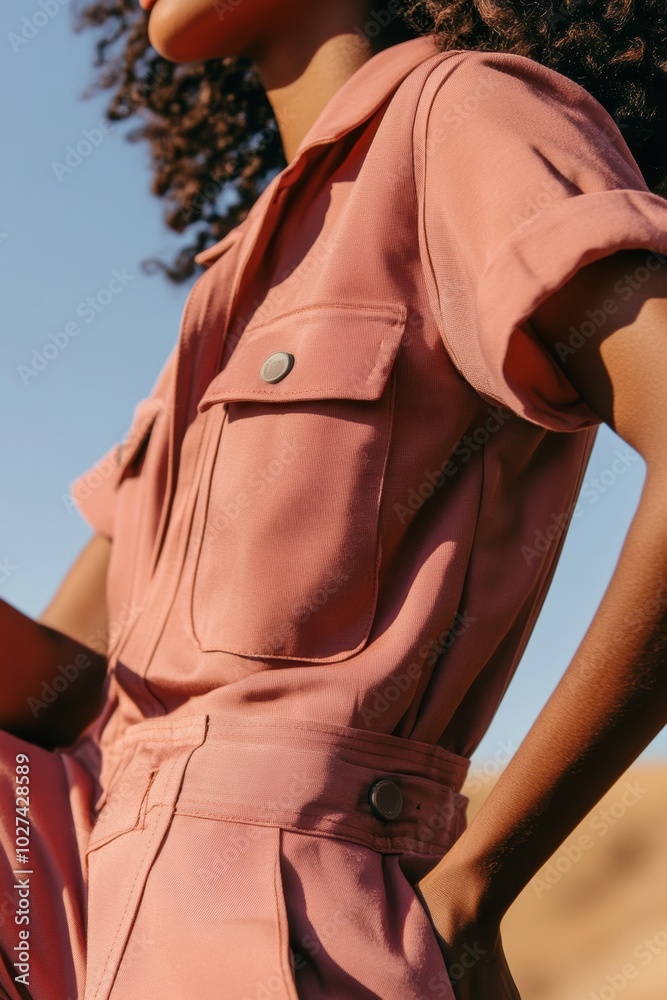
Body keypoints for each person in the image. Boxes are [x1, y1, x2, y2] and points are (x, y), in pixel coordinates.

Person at [1, 2, 666, 998]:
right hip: (112, 930)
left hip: (310, 938)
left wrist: (479, 880)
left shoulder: (464, 117)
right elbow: (84, 704)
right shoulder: (224, 293)